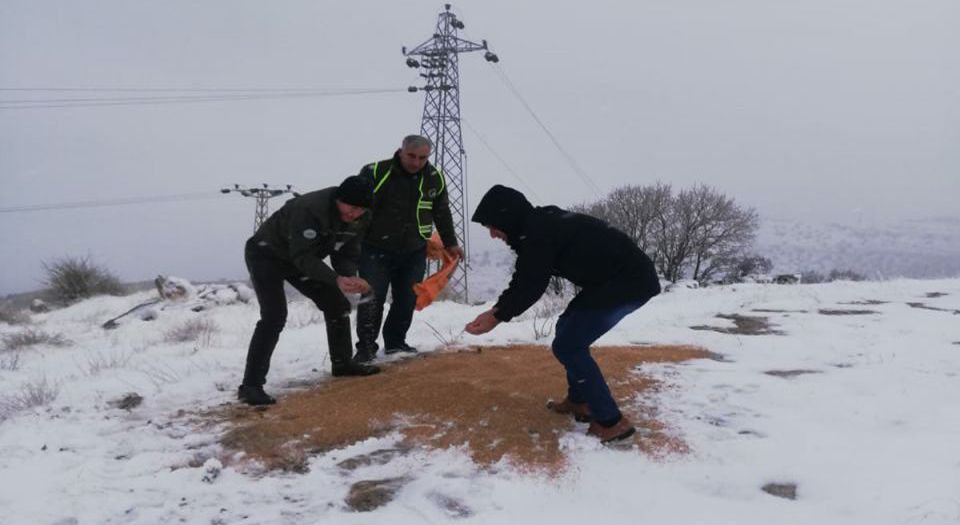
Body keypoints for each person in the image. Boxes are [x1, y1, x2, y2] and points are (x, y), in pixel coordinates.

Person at [464, 185, 661, 443]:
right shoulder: (536, 228)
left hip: (629, 282)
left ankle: (611, 422)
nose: (492, 234)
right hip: (608, 282)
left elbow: (530, 284)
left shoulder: (539, 233)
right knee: (566, 329)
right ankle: (580, 401)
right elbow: (526, 276)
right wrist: (498, 311)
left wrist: (496, 315)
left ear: (507, 218)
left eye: (493, 226)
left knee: (568, 346)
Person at [238, 175, 382, 406]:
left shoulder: (362, 217)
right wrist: (335, 279)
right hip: (266, 255)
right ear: (339, 199)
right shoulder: (310, 209)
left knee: (337, 304)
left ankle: (342, 364)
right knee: (274, 316)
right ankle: (250, 386)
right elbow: (302, 256)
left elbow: (346, 251)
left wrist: (350, 277)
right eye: (351, 207)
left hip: (301, 259)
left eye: (360, 210)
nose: (354, 214)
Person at [354, 135, 464, 362]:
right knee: (372, 298)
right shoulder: (376, 172)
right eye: (411, 156)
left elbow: (442, 212)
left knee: (407, 299)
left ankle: (396, 343)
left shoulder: (434, 178)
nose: (416, 162)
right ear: (400, 151)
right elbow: (355, 208)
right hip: (375, 248)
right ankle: (365, 349)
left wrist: (451, 243)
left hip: (414, 250)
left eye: (422, 158)